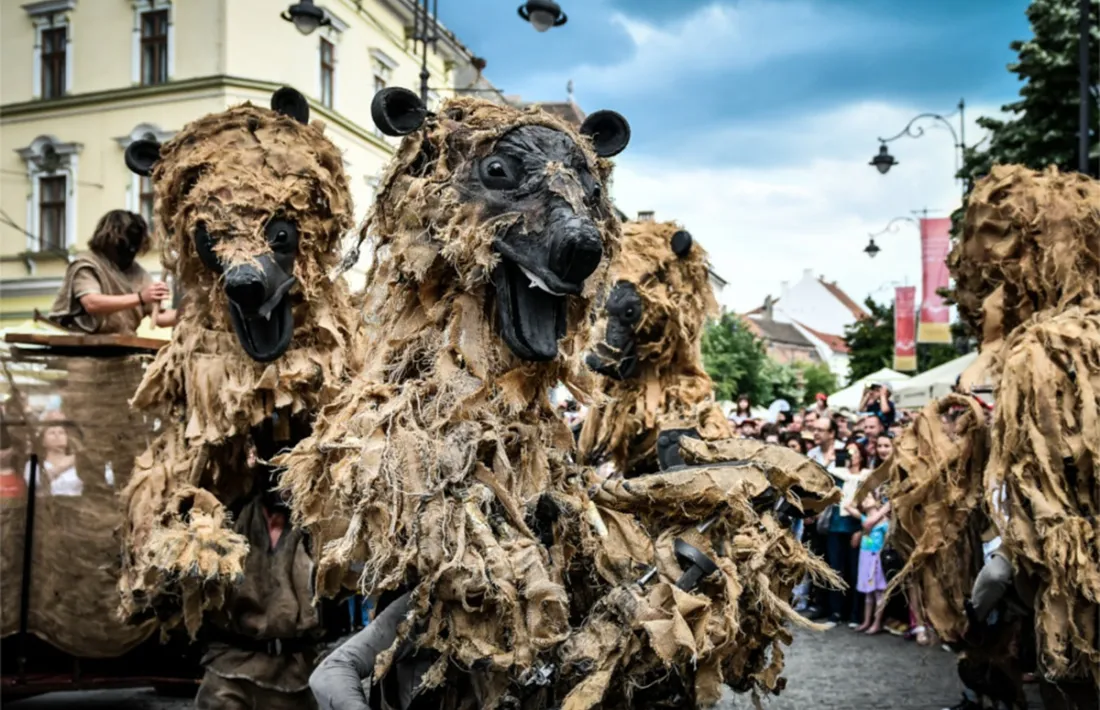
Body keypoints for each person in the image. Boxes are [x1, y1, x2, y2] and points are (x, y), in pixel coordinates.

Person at [48, 210, 178, 335]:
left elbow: (159, 317)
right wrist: (140, 298)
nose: (129, 253)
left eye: (134, 248)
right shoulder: (88, 264)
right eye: (124, 247)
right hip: (82, 344)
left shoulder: (139, 274)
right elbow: (92, 303)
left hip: (122, 344)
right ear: (108, 240)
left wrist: (188, 313)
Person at [847, 492, 889, 634]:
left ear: (877, 501)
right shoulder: (864, 519)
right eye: (863, 499)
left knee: (879, 592)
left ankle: (876, 623)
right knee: (868, 592)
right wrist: (857, 498)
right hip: (864, 557)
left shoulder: (884, 521)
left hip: (876, 557)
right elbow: (847, 506)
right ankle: (866, 621)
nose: (865, 500)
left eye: (868, 497)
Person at [22, 411, 79, 497]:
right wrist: (63, 466)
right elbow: (33, 482)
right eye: (52, 433)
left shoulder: (79, 462)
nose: (57, 435)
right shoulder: (33, 465)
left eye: (61, 432)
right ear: (43, 441)